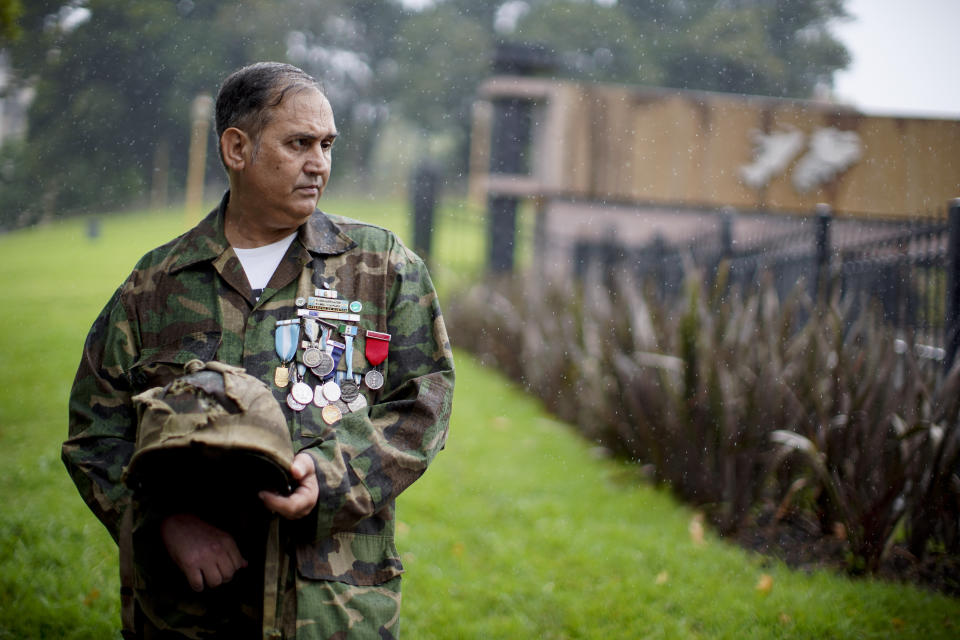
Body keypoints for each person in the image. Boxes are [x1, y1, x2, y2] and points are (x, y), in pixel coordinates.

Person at [62, 61, 455, 639]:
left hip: (331, 612)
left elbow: (425, 402)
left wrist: (329, 477)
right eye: (299, 143)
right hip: (188, 613)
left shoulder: (381, 266)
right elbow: (95, 432)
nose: (318, 163)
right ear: (236, 148)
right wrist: (165, 520)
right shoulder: (157, 283)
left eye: (326, 144)